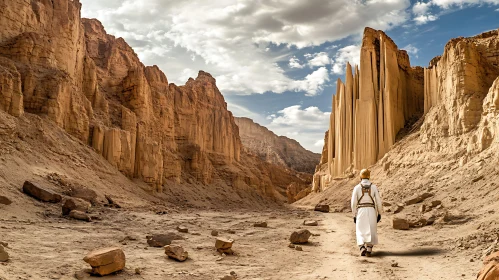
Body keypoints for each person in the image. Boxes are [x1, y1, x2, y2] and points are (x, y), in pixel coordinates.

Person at [350, 169, 382, 257]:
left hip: (361, 211)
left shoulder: (357, 188)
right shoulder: (374, 187)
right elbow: (378, 202)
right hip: (371, 210)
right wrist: (379, 213)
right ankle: (369, 249)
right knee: (372, 229)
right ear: (369, 176)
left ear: (360, 177)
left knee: (360, 230)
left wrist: (354, 215)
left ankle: (362, 247)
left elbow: (353, 203)